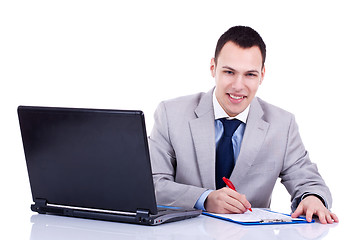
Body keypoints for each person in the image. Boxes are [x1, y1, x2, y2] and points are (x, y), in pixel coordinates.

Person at [148, 26, 338, 224]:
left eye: (250, 75)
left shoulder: (283, 125)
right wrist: (204, 199)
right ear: (213, 68)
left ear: (262, 75)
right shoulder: (171, 114)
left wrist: (312, 198)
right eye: (229, 72)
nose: (238, 86)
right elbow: (152, 184)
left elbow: (308, 180)